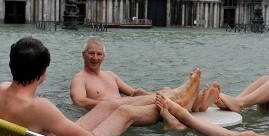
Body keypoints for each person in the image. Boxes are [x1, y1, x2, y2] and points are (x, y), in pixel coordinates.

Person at [0, 37, 201, 136]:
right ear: (42, 73)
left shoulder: (1, 90)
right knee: (124, 112)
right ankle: (174, 105)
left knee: (109, 105)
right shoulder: (39, 107)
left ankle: (174, 95)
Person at [70, 37, 219, 114]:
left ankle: (195, 103)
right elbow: (80, 102)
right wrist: (110, 104)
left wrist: (144, 93)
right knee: (164, 99)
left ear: (104, 57)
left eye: (99, 54)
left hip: (127, 106)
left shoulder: (110, 75)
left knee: (163, 91)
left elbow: (133, 92)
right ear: (83, 55)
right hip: (111, 111)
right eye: (91, 53)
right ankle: (189, 100)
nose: (95, 57)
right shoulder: (80, 79)